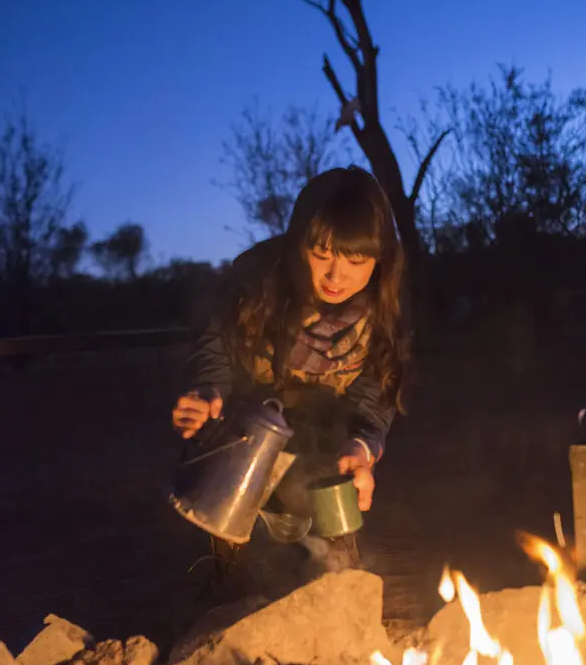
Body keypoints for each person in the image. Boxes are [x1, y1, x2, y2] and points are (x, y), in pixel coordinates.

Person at [171, 166, 410, 586]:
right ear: (298, 244)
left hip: (322, 443)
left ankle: (333, 580)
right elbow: (216, 347)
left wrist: (363, 446)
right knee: (230, 566)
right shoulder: (255, 283)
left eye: (355, 260)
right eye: (322, 255)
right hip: (244, 432)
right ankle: (222, 577)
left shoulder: (386, 312)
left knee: (329, 500)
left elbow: (378, 395)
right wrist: (208, 390)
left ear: (379, 258)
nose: (336, 277)